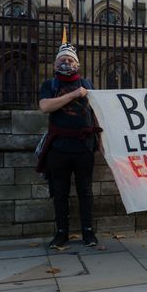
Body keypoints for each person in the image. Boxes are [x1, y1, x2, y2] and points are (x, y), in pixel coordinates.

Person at [38, 36, 101, 249]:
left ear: (77, 64)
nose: (66, 63)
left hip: (83, 148)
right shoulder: (49, 85)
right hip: (58, 149)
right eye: (62, 60)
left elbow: (97, 112)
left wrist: (100, 142)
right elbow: (45, 106)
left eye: (70, 60)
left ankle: (88, 232)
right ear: (55, 64)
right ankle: (61, 233)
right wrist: (75, 94)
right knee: (60, 192)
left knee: (86, 192)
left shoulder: (87, 84)